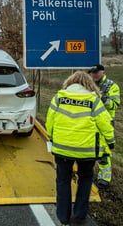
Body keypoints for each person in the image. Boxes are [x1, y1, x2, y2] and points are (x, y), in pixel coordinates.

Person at [45, 71, 115, 225]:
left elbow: (50, 121)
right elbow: (105, 124)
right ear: (88, 84)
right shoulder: (93, 100)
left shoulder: (59, 97)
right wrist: (111, 142)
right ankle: (79, 215)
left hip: (62, 148)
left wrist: (52, 137)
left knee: (63, 180)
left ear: (70, 83)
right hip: (87, 151)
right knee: (85, 178)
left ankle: (63, 216)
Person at [88, 64, 121, 189]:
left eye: (96, 72)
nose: (94, 75)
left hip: (105, 121)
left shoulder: (111, 86)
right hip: (89, 120)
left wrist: (100, 98)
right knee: (88, 148)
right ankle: (87, 173)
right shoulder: (87, 84)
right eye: (92, 72)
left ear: (103, 72)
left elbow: (114, 104)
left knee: (105, 150)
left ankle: (104, 178)